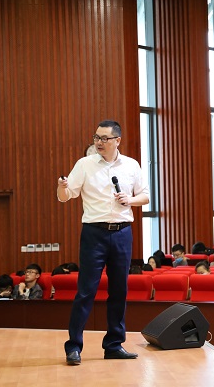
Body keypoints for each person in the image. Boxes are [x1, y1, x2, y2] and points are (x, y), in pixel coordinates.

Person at [57, 119, 149, 365]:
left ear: (117, 140)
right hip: (94, 234)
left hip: (122, 233)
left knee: (119, 291)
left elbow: (145, 196)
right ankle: (73, 346)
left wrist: (130, 200)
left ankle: (114, 345)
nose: (99, 142)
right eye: (96, 137)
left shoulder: (131, 165)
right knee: (86, 291)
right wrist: (62, 187)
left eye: (104, 138)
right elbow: (66, 196)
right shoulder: (84, 164)